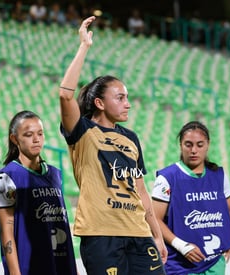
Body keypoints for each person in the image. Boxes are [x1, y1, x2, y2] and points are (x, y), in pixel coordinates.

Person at [58, 16, 167, 274]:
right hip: (101, 234)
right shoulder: (83, 131)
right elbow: (65, 94)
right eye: (120, 97)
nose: (127, 103)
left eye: (127, 97)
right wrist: (84, 46)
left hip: (138, 232)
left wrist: (157, 234)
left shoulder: (131, 137)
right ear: (99, 103)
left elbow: (141, 191)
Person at [0, 110, 77, 275]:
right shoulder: (6, 176)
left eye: (40, 133)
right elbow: (6, 230)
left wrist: (73, 268)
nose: (36, 139)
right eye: (29, 134)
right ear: (14, 139)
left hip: (61, 265)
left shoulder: (55, 174)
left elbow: (62, 224)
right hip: (30, 267)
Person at [152, 121, 230, 274]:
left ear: (208, 145)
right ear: (180, 145)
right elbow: (154, 218)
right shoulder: (167, 178)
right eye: (188, 144)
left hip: (214, 261)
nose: (194, 150)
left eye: (199, 145)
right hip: (179, 264)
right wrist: (181, 246)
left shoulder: (219, 175)